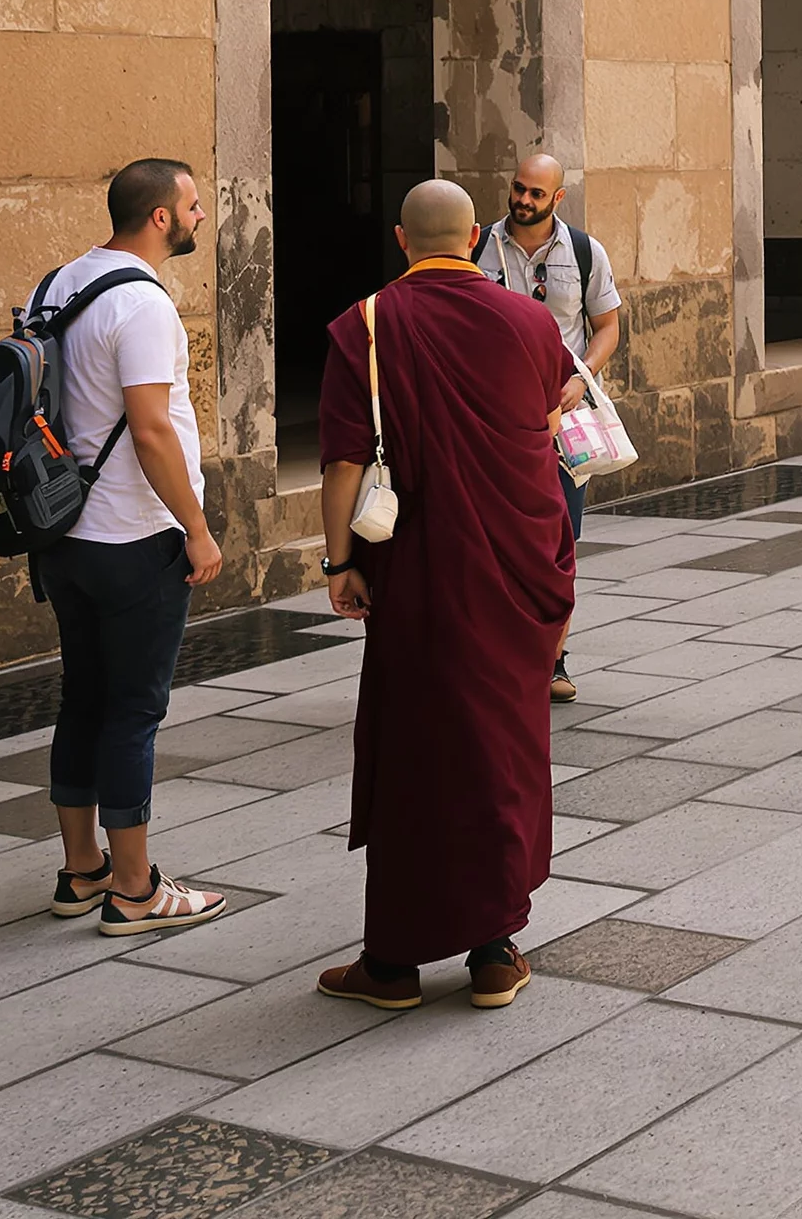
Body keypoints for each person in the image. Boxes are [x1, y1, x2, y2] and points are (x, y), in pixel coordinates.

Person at [315, 178, 577, 1012]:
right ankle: (495, 952)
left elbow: (344, 461)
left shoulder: (368, 324)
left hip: (421, 570)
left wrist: (337, 563)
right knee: (501, 747)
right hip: (510, 564)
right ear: (473, 238)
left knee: (416, 755)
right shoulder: (531, 320)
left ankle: (391, 966)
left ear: (402, 239)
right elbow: (540, 420)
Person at [37, 158, 227, 934]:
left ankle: (82, 871)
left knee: (83, 695)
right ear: (159, 218)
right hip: (133, 534)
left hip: (64, 534)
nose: (199, 218)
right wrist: (198, 527)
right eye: (191, 206)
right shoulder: (143, 304)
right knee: (134, 709)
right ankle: (137, 889)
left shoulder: (57, 283)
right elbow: (150, 428)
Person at [476, 151, 621, 703]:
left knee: (559, 542)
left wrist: (582, 377)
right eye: (518, 188)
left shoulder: (584, 251)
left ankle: (554, 662)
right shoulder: (479, 246)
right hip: (492, 420)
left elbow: (606, 326)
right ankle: (500, 654)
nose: (523, 201)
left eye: (536, 194)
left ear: (557, 198)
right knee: (491, 538)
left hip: (562, 423)